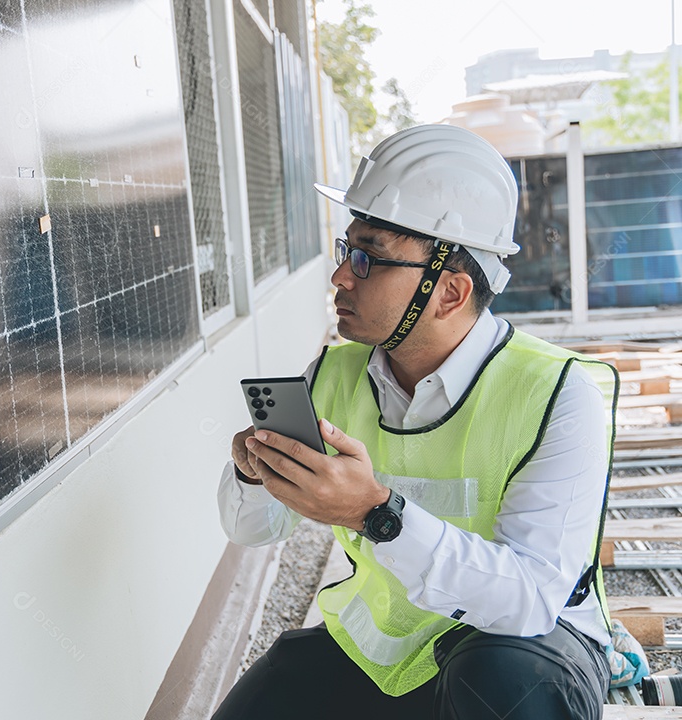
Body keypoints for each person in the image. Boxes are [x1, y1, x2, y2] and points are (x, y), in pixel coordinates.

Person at [212, 124, 618, 720]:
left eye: (366, 258)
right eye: (344, 250)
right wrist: (254, 475)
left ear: (449, 292)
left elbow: (528, 601)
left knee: (505, 684)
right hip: (392, 646)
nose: (340, 276)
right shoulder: (330, 376)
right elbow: (255, 531)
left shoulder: (558, 393)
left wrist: (373, 513)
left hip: (529, 648)